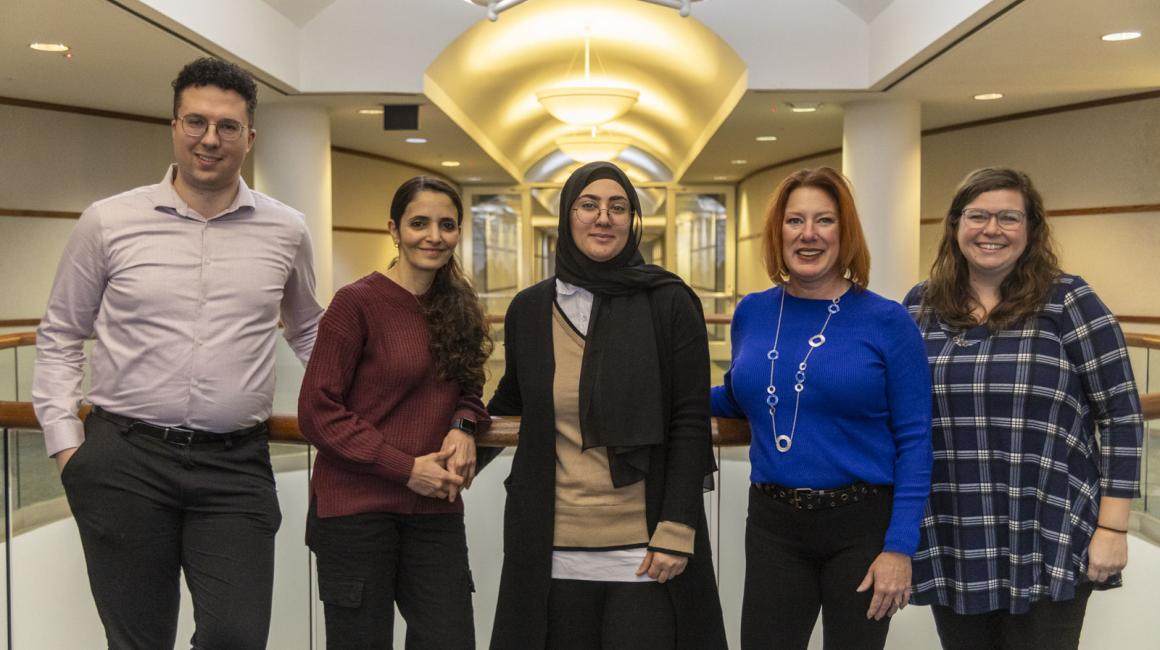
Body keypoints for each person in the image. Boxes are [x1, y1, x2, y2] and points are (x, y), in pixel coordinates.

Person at [32, 57, 324, 649]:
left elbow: (310, 331)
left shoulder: (286, 230)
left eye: (226, 126)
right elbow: (61, 334)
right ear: (173, 126)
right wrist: (69, 450)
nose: (209, 139)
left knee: (236, 635)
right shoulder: (107, 223)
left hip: (235, 467)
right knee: (137, 641)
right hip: (124, 462)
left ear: (250, 137)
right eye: (195, 122)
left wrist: (366, 408)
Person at [485, 161, 726, 649]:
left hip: (647, 547)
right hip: (552, 546)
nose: (603, 217)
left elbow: (688, 418)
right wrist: (460, 438)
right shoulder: (530, 310)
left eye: (618, 207)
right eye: (588, 205)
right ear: (567, 218)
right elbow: (512, 399)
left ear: (633, 220)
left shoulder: (670, 302)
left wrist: (677, 525)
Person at [903, 167, 1143, 650]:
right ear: (955, 225)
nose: (992, 229)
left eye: (1009, 217)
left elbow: (1120, 414)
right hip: (955, 529)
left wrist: (1113, 527)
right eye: (978, 216)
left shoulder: (1069, 300)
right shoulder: (920, 306)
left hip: (1048, 529)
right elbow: (894, 411)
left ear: (1031, 230)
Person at [711, 166, 933, 650]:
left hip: (862, 526)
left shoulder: (888, 321)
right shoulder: (753, 311)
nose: (808, 235)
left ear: (845, 232)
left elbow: (916, 441)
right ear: (778, 232)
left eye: (824, 221)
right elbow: (738, 396)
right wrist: (658, 392)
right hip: (773, 522)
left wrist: (899, 547)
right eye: (795, 221)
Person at [299, 176, 492, 649]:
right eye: (419, 223)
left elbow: (470, 389)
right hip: (355, 513)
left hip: (434, 510)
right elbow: (317, 410)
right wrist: (404, 468)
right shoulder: (356, 303)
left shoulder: (460, 305)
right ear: (394, 229)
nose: (434, 236)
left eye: (447, 225)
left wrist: (465, 427)